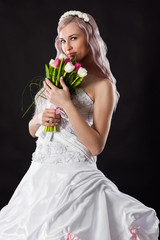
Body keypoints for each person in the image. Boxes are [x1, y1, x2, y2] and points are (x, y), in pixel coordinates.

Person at [0, 10, 159, 240]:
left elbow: (96, 146)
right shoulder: (57, 75)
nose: (67, 46)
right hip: (38, 181)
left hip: (76, 182)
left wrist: (67, 104)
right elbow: (33, 130)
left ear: (90, 38)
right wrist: (40, 119)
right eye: (63, 40)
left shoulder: (103, 86)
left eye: (74, 38)